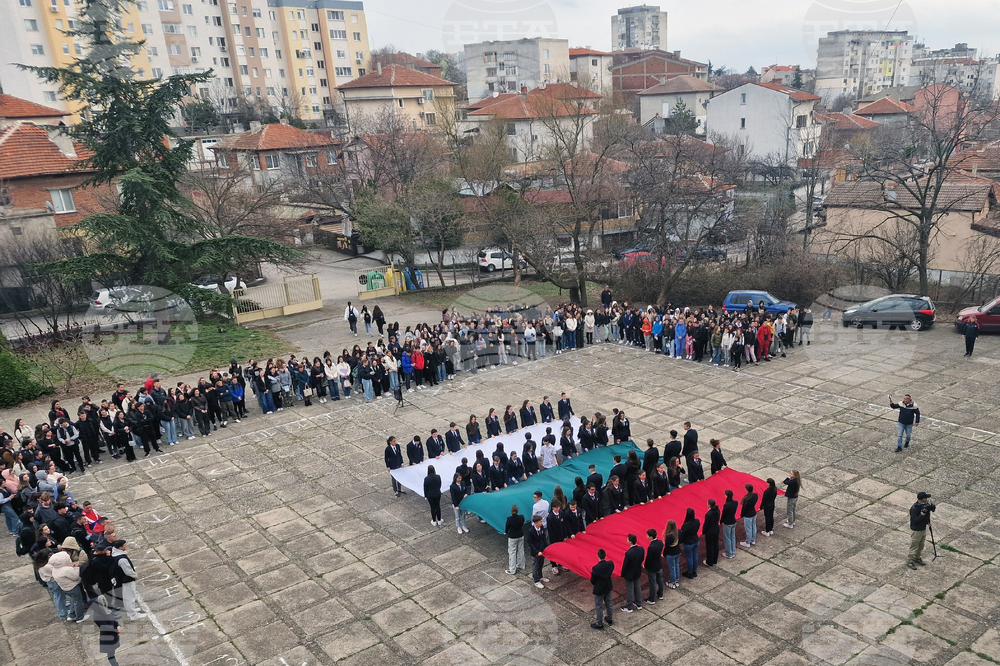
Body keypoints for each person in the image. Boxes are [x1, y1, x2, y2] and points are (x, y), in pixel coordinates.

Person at [91, 593, 122, 666]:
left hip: (112, 635)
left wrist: (117, 625)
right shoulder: (97, 617)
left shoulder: (104, 611)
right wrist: (116, 630)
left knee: (112, 652)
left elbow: (112, 619)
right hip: (107, 638)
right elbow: (105, 627)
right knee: (111, 654)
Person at [907, 492, 934, 569]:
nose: (927, 500)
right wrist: (921, 515)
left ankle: (917, 557)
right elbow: (914, 520)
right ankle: (910, 561)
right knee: (914, 546)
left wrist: (927, 522)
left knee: (921, 545)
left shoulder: (924, 506)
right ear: (923, 499)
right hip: (916, 530)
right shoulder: (914, 508)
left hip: (922, 529)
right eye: (926, 498)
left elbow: (927, 515)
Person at [590, 549, 614, 630]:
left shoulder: (596, 568)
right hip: (608, 586)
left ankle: (599, 623)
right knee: (609, 603)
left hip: (599, 589)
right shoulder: (610, 564)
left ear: (598, 556)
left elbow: (593, 580)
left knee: (599, 606)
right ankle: (609, 618)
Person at [620, 534, 644, 613]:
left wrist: (622, 574)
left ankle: (629, 606)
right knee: (637, 587)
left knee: (630, 589)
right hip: (637, 571)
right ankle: (638, 603)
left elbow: (625, 565)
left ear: (630, 541)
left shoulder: (629, 553)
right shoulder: (641, 549)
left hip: (630, 574)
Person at [526, 515, 550, 588]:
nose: (541, 523)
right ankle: (536, 580)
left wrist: (546, 547)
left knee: (541, 564)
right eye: (540, 522)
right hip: (536, 551)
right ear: (536, 523)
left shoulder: (541, 528)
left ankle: (540, 576)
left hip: (542, 550)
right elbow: (530, 543)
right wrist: (536, 552)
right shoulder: (531, 531)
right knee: (535, 565)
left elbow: (544, 539)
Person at [644, 528, 664, 604]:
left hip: (652, 567)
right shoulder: (660, 542)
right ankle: (660, 594)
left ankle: (652, 598)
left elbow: (648, 558)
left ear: (651, 537)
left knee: (652, 583)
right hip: (659, 564)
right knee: (660, 580)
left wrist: (645, 566)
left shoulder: (651, 547)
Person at [504, 505, 525, 575]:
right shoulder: (521, 517)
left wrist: (506, 532)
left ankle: (512, 569)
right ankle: (521, 565)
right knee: (521, 550)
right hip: (520, 535)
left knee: (512, 552)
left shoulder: (509, 519)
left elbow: (507, 527)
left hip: (513, 537)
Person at [680, 508, 700, 578]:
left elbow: (683, 534)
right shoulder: (697, 521)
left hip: (688, 543)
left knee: (689, 558)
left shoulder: (686, 525)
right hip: (696, 540)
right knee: (695, 556)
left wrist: (680, 541)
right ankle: (694, 571)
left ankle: (689, 572)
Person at [663, 519, 681, 589]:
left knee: (672, 568)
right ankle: (676, 580)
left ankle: (673, 582)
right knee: (676, 565)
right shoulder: (678, 532)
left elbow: (667, 547)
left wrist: (664, 554)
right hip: (677, 552)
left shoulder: (669, 536)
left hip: (671, 554)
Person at [739, 483, 759, 548]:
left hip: (748, 515)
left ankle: (747, 542)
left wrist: (742, 515)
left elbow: (744, 508)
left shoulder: (746, 499)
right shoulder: (755, 495)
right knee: (753, 527)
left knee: (748, 529)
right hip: (753, 513)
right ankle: (753, 540)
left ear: (747, 490)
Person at [703, 498, 721, 567]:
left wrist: (704, 531)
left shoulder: (708, 514)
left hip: (710, 532)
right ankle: (714, 560)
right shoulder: (717, 510)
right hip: (716, 530)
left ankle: (709, 561)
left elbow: (706, 524)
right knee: (715, 545)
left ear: (709, 505)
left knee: (710, 547)